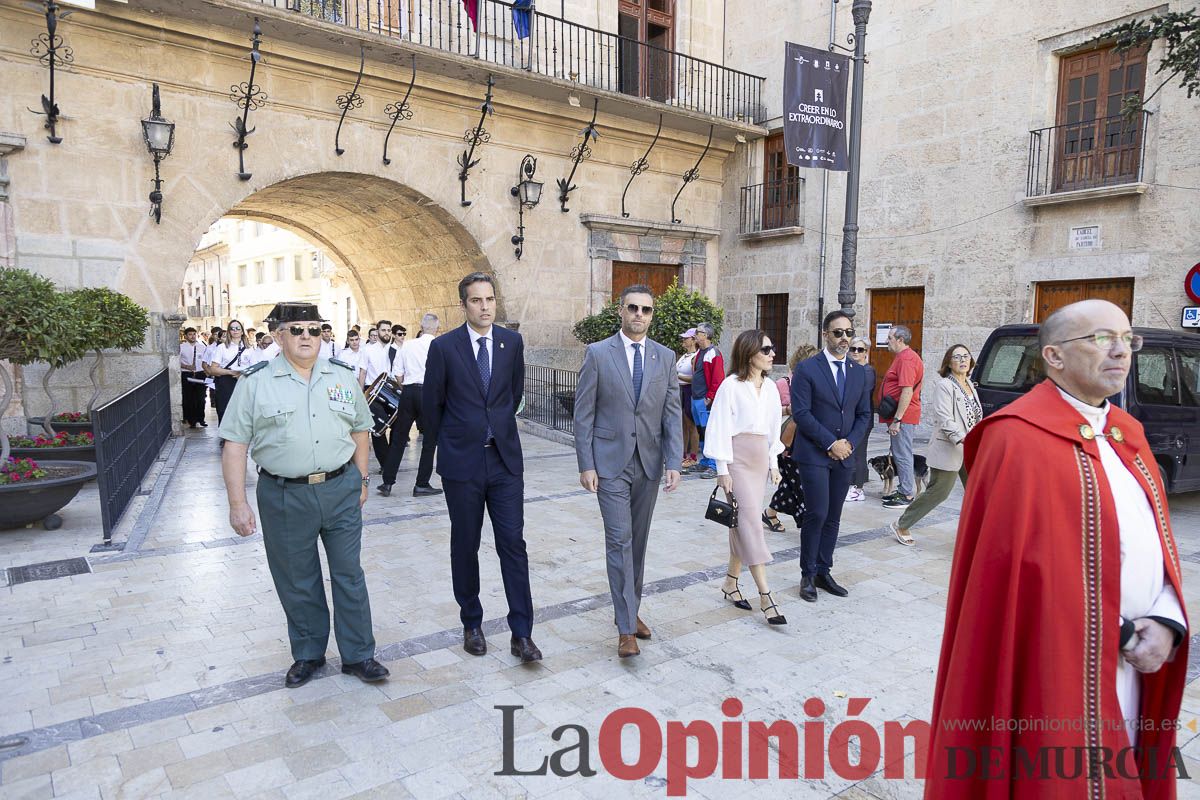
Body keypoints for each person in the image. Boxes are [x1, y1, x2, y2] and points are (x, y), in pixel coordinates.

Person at [925, 300, 1188, 797]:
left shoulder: (1128, 433)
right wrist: (1126, 633)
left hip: (1137, 669)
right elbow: (1010, 581)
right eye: (1100, 338)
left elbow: (1159, 545)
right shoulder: (1014, 440)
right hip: (1051, 664)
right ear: (1054, 356)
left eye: (1128, 339)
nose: (1121, 351)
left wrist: (1168, 618)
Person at [218, 302, 390, 689]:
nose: (307, 337)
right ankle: (309, 653)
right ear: (279, 336)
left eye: (315, 329)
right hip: (283, 495)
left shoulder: (342, 376)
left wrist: (362, 480)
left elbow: (362, 429)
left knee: (349, 574)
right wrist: (236, 503)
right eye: (297, 330)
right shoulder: (255, 381)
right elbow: (234, 445)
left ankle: (359, 654)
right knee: (297, 578)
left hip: (340, 488)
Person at [423, 272, 541, 663]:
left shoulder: (512, 343)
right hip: (463, 466)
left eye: (490, 299)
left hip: (505, 462)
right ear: (464, 305)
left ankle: (521, 633)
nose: (485, 307)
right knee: (466, 544)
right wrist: (453, 445)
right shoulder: (444, 347)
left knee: (514, 544)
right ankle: (471, 622)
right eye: (476, 300)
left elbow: (514, 393)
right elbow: (431, 407)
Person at [573, 285, 682, 658]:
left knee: (638, 541)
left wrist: (673, 461)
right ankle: (625, 629)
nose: (639, 314)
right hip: (609, 464)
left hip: (648, 463)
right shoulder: (599, 354)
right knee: (619, 541)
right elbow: (583, 413)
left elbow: (671, 412)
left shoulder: (665, 358)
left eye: (646, 310)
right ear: (621, 311)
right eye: (633, 308)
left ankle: (631, 611)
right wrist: (586, 463)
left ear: (652, 315)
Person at [705, 330, 787, 626]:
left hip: (759, 462)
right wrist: (722, 470)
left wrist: (773, 463)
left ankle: (730, 582)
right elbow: (719, 427)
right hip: (737, 460)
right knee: (751, 522)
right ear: (749, 352)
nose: (772, 354)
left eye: (772, 348)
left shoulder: (771, 388)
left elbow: (773, 430)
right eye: (766, 349)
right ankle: (766, 596)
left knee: (740, 521)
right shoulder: (731, 386)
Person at [790, 311, 872, 602]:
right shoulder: (808, 369)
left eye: (848, 332)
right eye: (838, 333)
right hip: (814, 453)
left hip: (844, 455)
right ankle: (807, 574)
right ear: (826, 334)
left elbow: (864, 414)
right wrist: (830, 443)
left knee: (834, 517)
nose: (845, 338)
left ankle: (824, 570)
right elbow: (801, 413)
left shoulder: (859, 372)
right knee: (817, 513)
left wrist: (848, 442)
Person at [889, 345, 981, 546]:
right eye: (957, 357)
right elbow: (944, 418)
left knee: (977, 493)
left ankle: (978, 534)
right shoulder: (945, 386)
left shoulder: (970, 385)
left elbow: (974, 417)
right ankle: (902, 523)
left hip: (971, 449)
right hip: (951, 447)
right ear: (949, 362)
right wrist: (963, 438)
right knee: (938, 492)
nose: (963, 360)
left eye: (966, 356)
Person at [380, 313, 442, 498]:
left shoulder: (407, 345)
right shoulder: (439, 345)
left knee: (398, 437)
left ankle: (387, 482)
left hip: (408, 392)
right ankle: (421, 483)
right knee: (430, 440)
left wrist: (407, 387)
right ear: (437, 328)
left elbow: (397, 373)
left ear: (421, 327)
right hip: (429, 393)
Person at [763, 343, 818, 531]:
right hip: (787, 443)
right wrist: (788, 409)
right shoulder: (782, 385)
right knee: (800, 484)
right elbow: (767, 412)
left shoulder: (818, 384)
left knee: (793, 483)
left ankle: (770, 513)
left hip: (810, 441)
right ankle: (808, 524)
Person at [878, 325, 924, 508]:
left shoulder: (906, 359)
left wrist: (897, 419)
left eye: (889, 338)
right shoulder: (903, 357)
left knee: (902, 454)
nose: (887, 341)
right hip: (901, 415)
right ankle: (903, 489)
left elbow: (907, 391)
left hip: (903, 416)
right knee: (899, 452)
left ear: (900, 340)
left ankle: (906, 494)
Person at [359, 319, 400, 465]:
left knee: (398, 426)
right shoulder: (367, 350)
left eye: (389, 330)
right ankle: (385, 463)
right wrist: (361, 395)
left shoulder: (395, 350)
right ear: (377, 332)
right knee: (378, 428)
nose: (387, 333)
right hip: (373, 391)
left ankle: (392, 458)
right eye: (384, 330)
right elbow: (363, 372)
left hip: (391, 390)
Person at [690, 322, 725, 478]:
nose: (695, 335)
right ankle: (705, 461)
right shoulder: (700, 353)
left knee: (709, 431)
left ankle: (713, 464)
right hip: (696, 398)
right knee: (701, 430)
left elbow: (718, 379)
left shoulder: (713, 353)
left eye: (698, 332)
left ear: (706, 335)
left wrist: (709, 397)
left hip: (705, 400)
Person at [209, 319, 254, 427]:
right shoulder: (222, 347)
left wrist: (243, 373)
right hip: (226, 381)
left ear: (242, 331)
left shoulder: (249, 348)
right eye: (232, 328)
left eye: (238, 328)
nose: (235, 331)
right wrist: (231, 372)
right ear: (229, 331)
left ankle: (239, 436)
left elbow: (253, 366)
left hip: (243, 380)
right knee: (224, 410)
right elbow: (213, 369)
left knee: (242, 410)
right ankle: (225, 436)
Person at [846, 337, 875, 501]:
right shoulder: (853, 369)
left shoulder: (867, 371)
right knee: (853, 451)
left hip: (863, 418)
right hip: (853, 417)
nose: (856, 352)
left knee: (859, 452)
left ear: (866, 352)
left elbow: (861, 394)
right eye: (853, 349)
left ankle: (858, 488)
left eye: (860, 349)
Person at [676, 329, 700, 471]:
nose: (684, 340)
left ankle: (693, 456)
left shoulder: (696, 356)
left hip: (690, 391)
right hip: (681, 391)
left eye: (686, 338)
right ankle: (683, 454)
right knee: (683, 425)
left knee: (692, 425)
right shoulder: (685, 356)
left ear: (693, 340)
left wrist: (676, 376)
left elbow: (695, 378)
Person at [179, 327, 207, 428]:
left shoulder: (202, 347)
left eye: (194, 334)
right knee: (189, 398)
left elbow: (206, 360)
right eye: (190, 334)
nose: (192, 336)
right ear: (186, 336)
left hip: (200, 373)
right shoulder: (181, 347)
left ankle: (201, 419)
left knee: (201, 398)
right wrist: (187, 366)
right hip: (187, 374)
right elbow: (177, 361)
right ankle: (191, 420)